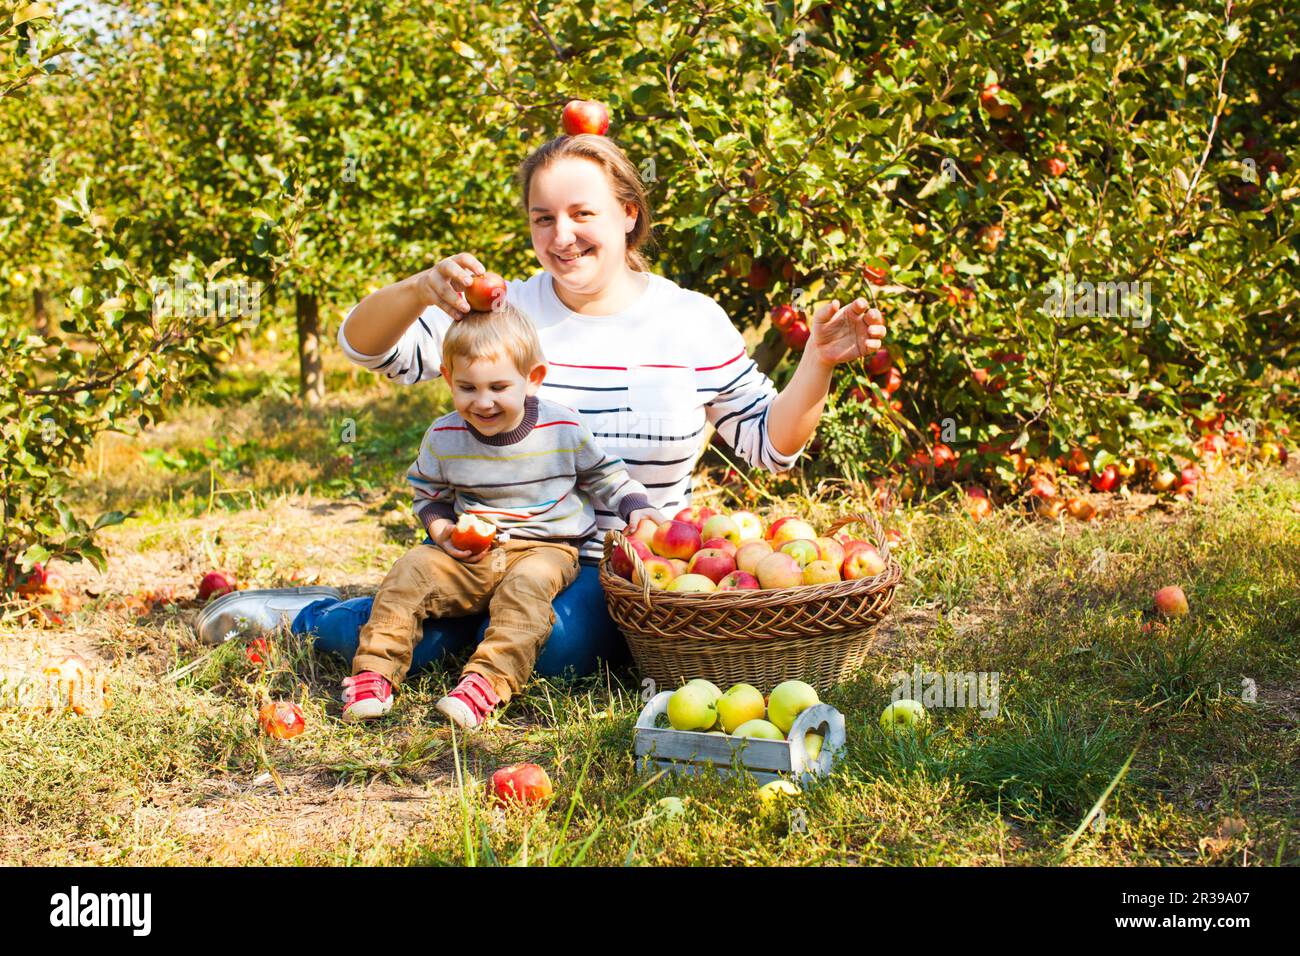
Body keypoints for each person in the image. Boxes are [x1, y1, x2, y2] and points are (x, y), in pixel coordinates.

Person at [292, 129, 887, 682]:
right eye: (542, 218)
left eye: (582, 214)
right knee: (391, 640)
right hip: (488, 555)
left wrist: (819, 362)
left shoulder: (690, 320)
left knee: (559, 652)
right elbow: (367, 347)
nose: (561, 237)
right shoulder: (503, 312)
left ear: (629, 214)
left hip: (619, 567)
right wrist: (420, 288)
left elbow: (770, 445)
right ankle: (311, 617)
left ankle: (446, 633)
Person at [341, 302, 661, 727]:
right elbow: (429, 497)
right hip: (473, 551)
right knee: (410, 570)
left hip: (545, 549)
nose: (483, 402)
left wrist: (636, 507)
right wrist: (442, 532)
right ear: (449, 379)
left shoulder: (562, 428)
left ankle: (487, 683)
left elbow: (605, 475)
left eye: (498, 387)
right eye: (468, 388)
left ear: (533, 379)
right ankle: (374, 674)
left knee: (526, 592)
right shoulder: (443, 436)